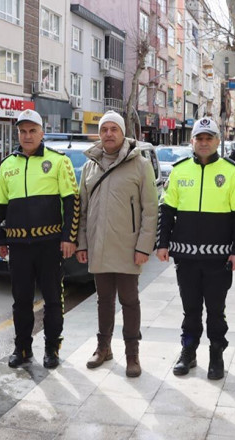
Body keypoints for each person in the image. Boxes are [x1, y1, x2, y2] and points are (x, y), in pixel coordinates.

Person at [156, 117, 235, 380]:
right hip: (185, 257)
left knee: (216, 310)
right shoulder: (179, 171)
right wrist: (162, 243)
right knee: (191, 309)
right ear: (192, 141)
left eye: (209, 138)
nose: (204, 143)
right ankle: (188, 351)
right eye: (200, 138)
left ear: (218, 141)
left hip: (219, 258)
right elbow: (166, 210)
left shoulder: (231, 172)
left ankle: (216, 353)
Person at [0, 109, 79, 370]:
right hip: (19, 246)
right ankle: (22, 348)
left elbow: (72, 202)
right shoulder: (7, 164)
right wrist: (1, 240)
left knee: (53, 299)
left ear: (42, 133)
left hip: (49, 244)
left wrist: (69, 237)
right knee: (21, 301)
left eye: (32, 131)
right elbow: (0, 206)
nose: (27, 136)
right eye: (22, 131)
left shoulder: (58, 161)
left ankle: (52, 348)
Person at [75, 111, 158, 377]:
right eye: (104, 129)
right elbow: (82, 210)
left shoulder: (140, 165)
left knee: (129, 300)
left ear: (123, 133)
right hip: (98, 245)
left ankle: (132, 354)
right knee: (103, 300)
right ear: (99, 134)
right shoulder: (89, 166)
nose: (109, 134)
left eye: (114, 129)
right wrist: (82, 244)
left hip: (127, 247)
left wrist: (144, 247)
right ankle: (104, 348)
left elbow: (150, 210)